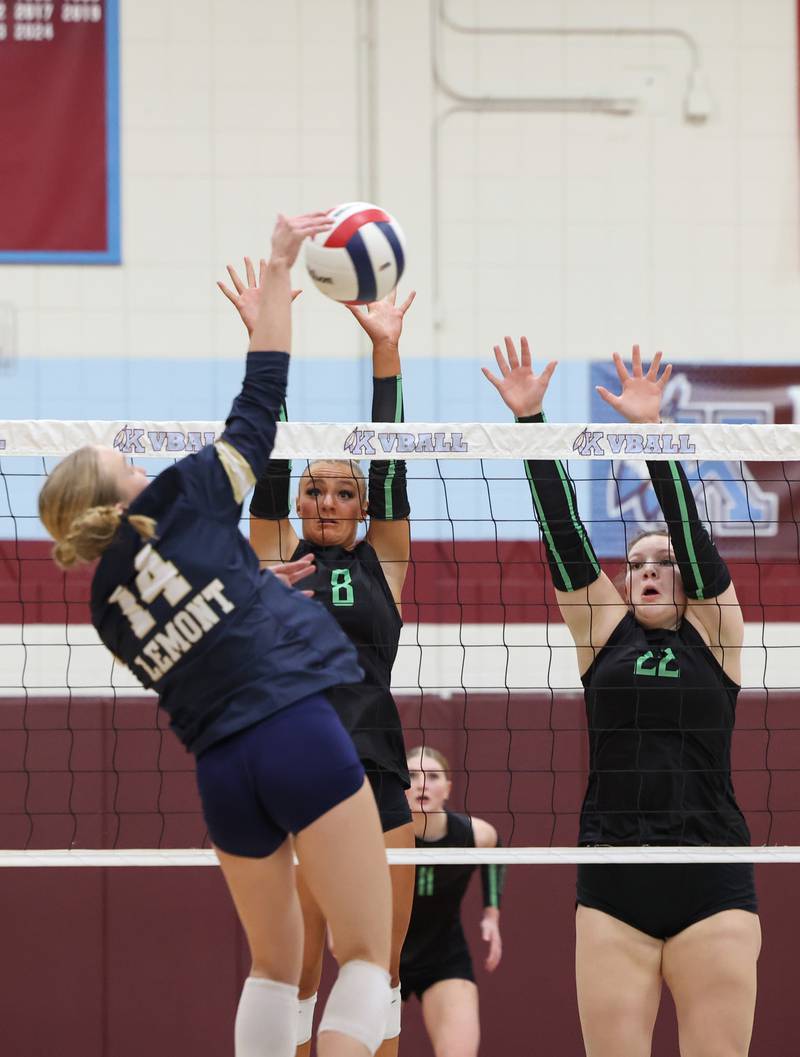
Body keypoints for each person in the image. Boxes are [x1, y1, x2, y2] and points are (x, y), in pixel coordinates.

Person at [38, 213, 395, 1057]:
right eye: (116, 455)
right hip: (298, 730)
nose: (130, 454)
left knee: (273, 968)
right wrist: (278, 271)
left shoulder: (102, 600)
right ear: (115, 494)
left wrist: (247, 586)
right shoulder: (182, 493)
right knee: (368, 957)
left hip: (223, 773)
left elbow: (196, 625)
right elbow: (260, 400)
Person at [482, 339, 760, 1057]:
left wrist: (651, 434)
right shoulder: (603, 631)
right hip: (613, 880)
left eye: (662, 562)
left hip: (711, 877)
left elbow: (695, 540)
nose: (648, 571)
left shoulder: (719, 631)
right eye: (635, 562)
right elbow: (564, 539)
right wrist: (531, 424)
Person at [218, 266, 416, 1057]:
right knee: (297, 968)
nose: (328, 501)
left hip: (378, 772)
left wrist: (387, 354)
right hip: (296, 770)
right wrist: (267, 336)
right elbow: (270, 453)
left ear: (364, 507)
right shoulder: (272, 551)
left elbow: (393, 456)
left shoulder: (386, 561)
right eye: (315, 490)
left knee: (381, 967)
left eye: (344, 492)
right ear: (297, 503)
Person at [400, 746, 504, 1057]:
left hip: (444, 955)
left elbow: (494, 843)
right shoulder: (381, 835)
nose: (422, 784)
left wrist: (492, 914)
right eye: (412, 776)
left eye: (432, 776)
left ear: (447, 788)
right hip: (386, 955)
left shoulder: (472, 834)